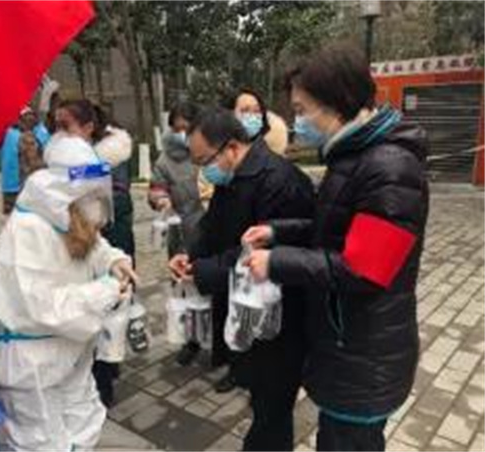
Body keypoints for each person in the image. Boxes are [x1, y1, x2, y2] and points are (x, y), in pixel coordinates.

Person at [242, 43, 429, 452]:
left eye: (302, 109)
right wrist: (276, 232)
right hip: (348, 347)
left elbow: (364, 269)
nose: (297, 122)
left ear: (336, 102)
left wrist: (276, 262)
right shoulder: (353, 156)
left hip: (363, 355)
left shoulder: (389, 168)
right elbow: (334, 227)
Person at [169, 107, 315, 449]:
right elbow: (212, 228)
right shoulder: (233, 176)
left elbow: (260, 254)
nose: (203, 171)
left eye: (205, 161)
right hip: (248, 307)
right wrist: (190, 256)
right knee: (260, 395)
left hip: (281, 317)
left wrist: (203, 271)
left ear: (232, 147)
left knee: (272, 408)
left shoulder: (281, 180)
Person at [0, 134, 138, 451]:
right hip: (31, 367)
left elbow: (93, 246)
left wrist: (114, 260)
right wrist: (107, 290)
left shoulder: (65, 216)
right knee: (42, 443)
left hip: (68, 351)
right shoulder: (26, 231)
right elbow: (47, 307)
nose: (97, 204)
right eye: (90, 195)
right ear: (67, 191)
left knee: (84, 423)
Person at [53, 99, 136, 407]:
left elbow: (117, 200)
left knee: (108, 308)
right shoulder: (62, 158)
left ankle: (105, 379)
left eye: (66, 126)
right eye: (55, 126)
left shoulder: (112, 155)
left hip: (108, 239)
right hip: (76, 245)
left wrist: (82, 181)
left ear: (88, 127)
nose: (59, 133)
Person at [148, 102, 206, 366]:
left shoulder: (208, 150)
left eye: (188, 128)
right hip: (182, 235)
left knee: (215, 287)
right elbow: (156, 188)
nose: (183, 134)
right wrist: (160, 198)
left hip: (212, 230)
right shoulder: (165, 160)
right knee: (185, 289)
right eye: (177, 128)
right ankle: (192, 340)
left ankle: (223, 346)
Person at [0, 107, 50, 214]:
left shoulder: (38, 133)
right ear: (19, 120)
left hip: (21, 184)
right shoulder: (15, 134)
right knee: (17, 216)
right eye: (26, 119)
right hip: (15, 184)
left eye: (31, 119)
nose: (29, 121)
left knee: (21, 216)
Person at [224, 87, 289, 156]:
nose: (252, 117)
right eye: (245, 111)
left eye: (256, 111)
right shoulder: (219, 153)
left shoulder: (269, 158)